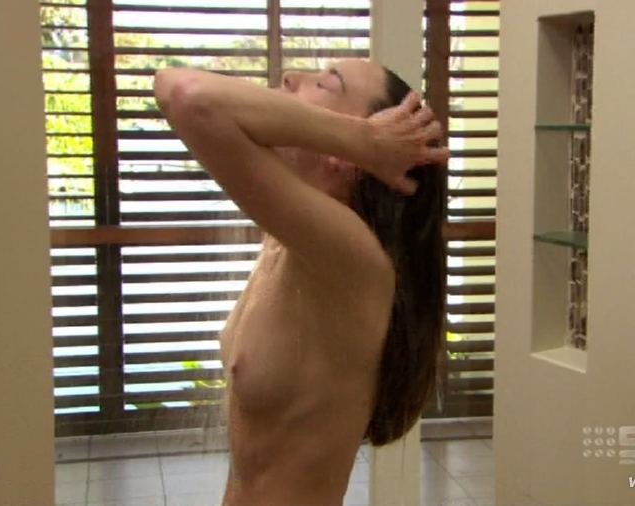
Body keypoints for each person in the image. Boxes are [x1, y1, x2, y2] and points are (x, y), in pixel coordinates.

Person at [154, 58, 449, 506]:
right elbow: (178, 88)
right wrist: (358, 138)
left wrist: (362, 140)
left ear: (350, 161)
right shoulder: (287, 235)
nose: (291, 76)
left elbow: (186, 95)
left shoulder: (353, 260)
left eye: (326, 83)